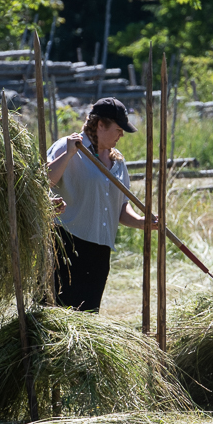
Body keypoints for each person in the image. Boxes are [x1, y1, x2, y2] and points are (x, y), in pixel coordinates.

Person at [47, 97, 154, 311]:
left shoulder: (117, 161)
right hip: (68, 246)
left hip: (100, 250)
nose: (121, 135)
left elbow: (121, 206)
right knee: (59, 314)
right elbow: (45, 180)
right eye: (118, 129)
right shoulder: (69, 147)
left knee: (88, 316)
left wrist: (141, 222)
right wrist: (69, 154)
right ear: (100, 125)